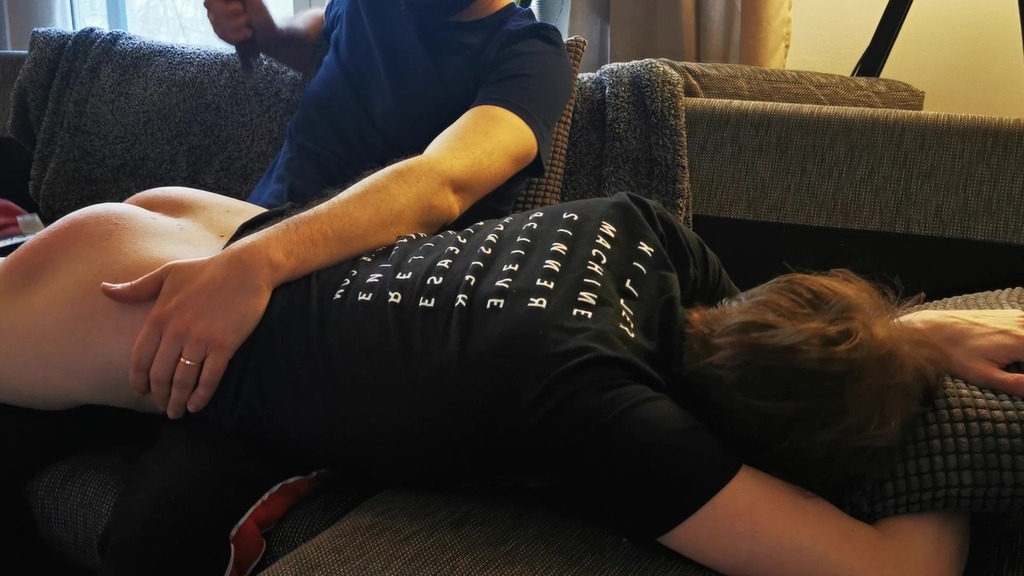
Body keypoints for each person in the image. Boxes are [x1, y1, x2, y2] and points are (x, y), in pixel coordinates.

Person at [6, 187, 1024, 575]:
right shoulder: (605, 415)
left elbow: (770, 317)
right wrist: (927, 408)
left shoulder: (648, 232)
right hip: (119, 304)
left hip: (221, 235)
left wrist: (910, 338)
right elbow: (895, 574)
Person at [98, 0, 570, 418]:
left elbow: (441, 182)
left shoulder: (531, 54)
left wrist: (257, 263)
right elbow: (318, 42)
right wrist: (263, 31)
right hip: (243, 236)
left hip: (345, 300)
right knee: (126, 226)